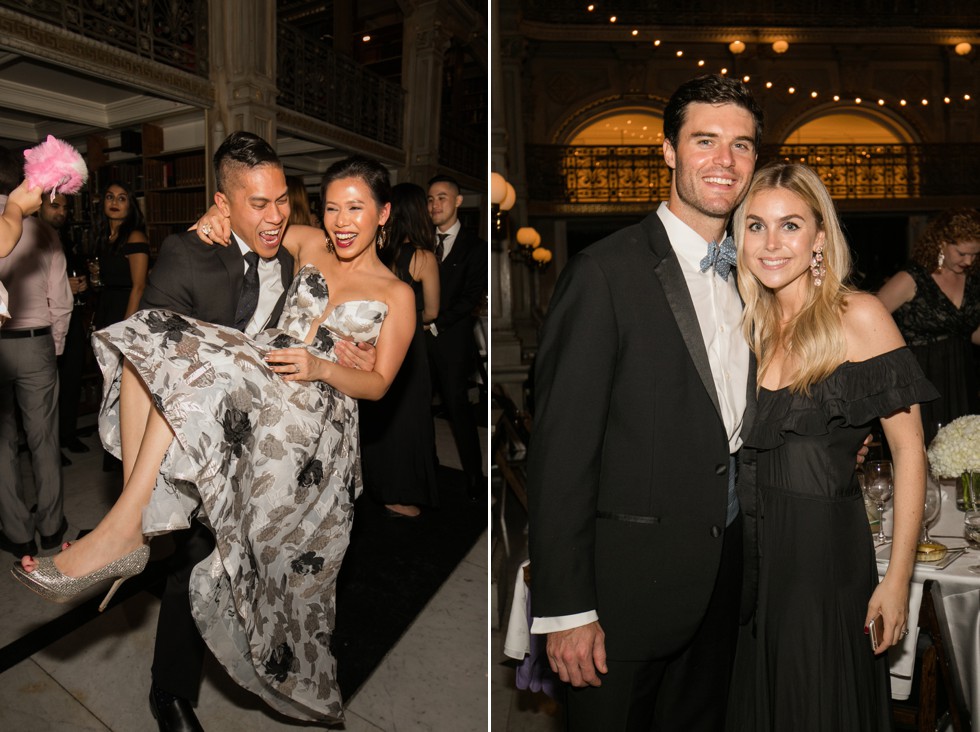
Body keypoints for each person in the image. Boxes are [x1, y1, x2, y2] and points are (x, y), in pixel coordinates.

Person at [13, 145, 415, 726]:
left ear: (382, 214)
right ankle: (131, 531)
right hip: (253, 401)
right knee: (160, 347)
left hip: (316, 433)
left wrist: (326, 366)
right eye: (330, 208)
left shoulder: (397, 294)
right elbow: (257, 219)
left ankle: (129, 527)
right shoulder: (306, 243)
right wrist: (213, 217)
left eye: (355, 208)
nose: (341, 221)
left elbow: (378, 384)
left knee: (279, 581)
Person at [526, 74, 764, 730]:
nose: (725, 161)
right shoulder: (605, 273)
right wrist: (569, 608)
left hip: (724, 576)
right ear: (667, 150)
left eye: (742, 146)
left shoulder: (757, 274)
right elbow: (561, 454)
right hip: (623, 590)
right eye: (706, 141)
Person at [726, 161, 934, 730]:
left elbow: (911, 450)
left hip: (822, 566)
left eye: (790, 226)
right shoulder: (745, 327)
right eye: (755, 225)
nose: (771, 244)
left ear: (820, 236)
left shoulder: (858, 316)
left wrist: (897, 580)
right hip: (748, 565)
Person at [0, 146, 73, 558]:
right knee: (44, 439)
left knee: (2, 443)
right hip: (35, 345)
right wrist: (56, 347)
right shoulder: (43, 232)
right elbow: (60, 300)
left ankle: (17, 532)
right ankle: (50, 528)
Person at [360, 182, 440, 517]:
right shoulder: (423, 257)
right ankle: (399, 493)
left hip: (377, 343)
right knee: (410, 418)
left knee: (381, 417)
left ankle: (376, 485)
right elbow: (434, 311)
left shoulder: (376, 254)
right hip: (410, 347)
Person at [876, 208, 980, 444]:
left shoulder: (972, 279)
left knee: (965, 455)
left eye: (975, 255)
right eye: (962, 253)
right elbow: (870, 320)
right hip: (921, 378)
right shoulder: (912, 278)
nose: (969, 261)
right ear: (941, 243)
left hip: (961, 378)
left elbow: (966, 329)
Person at [425, 174, 487, 500]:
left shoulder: (476, 248)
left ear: (458, 201)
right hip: (420, 342)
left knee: (457, 409)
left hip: (451, 341)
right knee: (421, 408)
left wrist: (434, 322)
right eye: (431, 199)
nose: (435, 205)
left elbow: (471, 297)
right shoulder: (422, 244)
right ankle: (429, 468)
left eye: (442, 198)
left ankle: (475, 478)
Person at [38, 192, 92, 459]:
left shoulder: (67, 241)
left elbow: (75, 277)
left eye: (65, 208)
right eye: (54, 206)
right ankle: (50, 447)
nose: (61, 212)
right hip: (42, 322)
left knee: (71, 379)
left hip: (70, 320)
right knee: (48, 387)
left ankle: (67, 435)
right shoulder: (30, 239)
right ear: (39, 206)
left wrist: (80, 285)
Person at [91, 180, 149, 329]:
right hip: (106, 305)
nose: (114, 202)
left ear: (130, 206)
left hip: (127, 307)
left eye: (122, 198)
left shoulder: (135, 236)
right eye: (110, 197)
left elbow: (139, 286)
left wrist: (126, 327)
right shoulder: (104, 237)